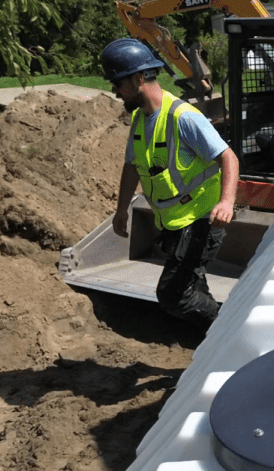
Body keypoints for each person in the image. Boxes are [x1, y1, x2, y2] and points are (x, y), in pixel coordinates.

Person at [101, 38, 239, 331]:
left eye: (117, 83)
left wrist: (226, 202)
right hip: (174, 222)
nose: (114, 91)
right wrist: (122, 209)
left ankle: (228, 332)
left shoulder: (183, 117)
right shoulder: (140, 118)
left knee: (174, 295)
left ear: (138, 79)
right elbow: (132, 165)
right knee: (193, 285)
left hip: (201, 221)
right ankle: (212, 340)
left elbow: (228, 157)